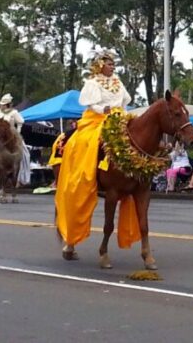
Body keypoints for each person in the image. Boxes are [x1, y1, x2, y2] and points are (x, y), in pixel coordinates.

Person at [55, 49, 134, 251]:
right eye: (109, 63)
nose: (112, 67)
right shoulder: (92, 83)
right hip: (97, 118)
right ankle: (83, 173)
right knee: (83, 142)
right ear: (100, 65)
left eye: (113, 64)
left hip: (119, 117)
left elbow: (126, 100)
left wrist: (119, 111)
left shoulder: (117, 81)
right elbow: (91, 105)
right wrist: (104, 109)